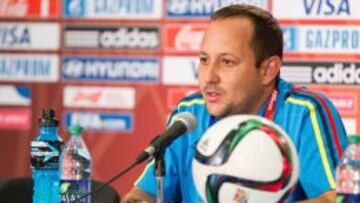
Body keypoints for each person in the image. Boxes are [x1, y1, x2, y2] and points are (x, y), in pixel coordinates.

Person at [122, 4, 347, 203]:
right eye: (204, 60)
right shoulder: (189, 113)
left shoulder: (304, 112)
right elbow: (142, 195)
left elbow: (334, 199)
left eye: (227, 62)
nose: (209, 77)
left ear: (268, 70)